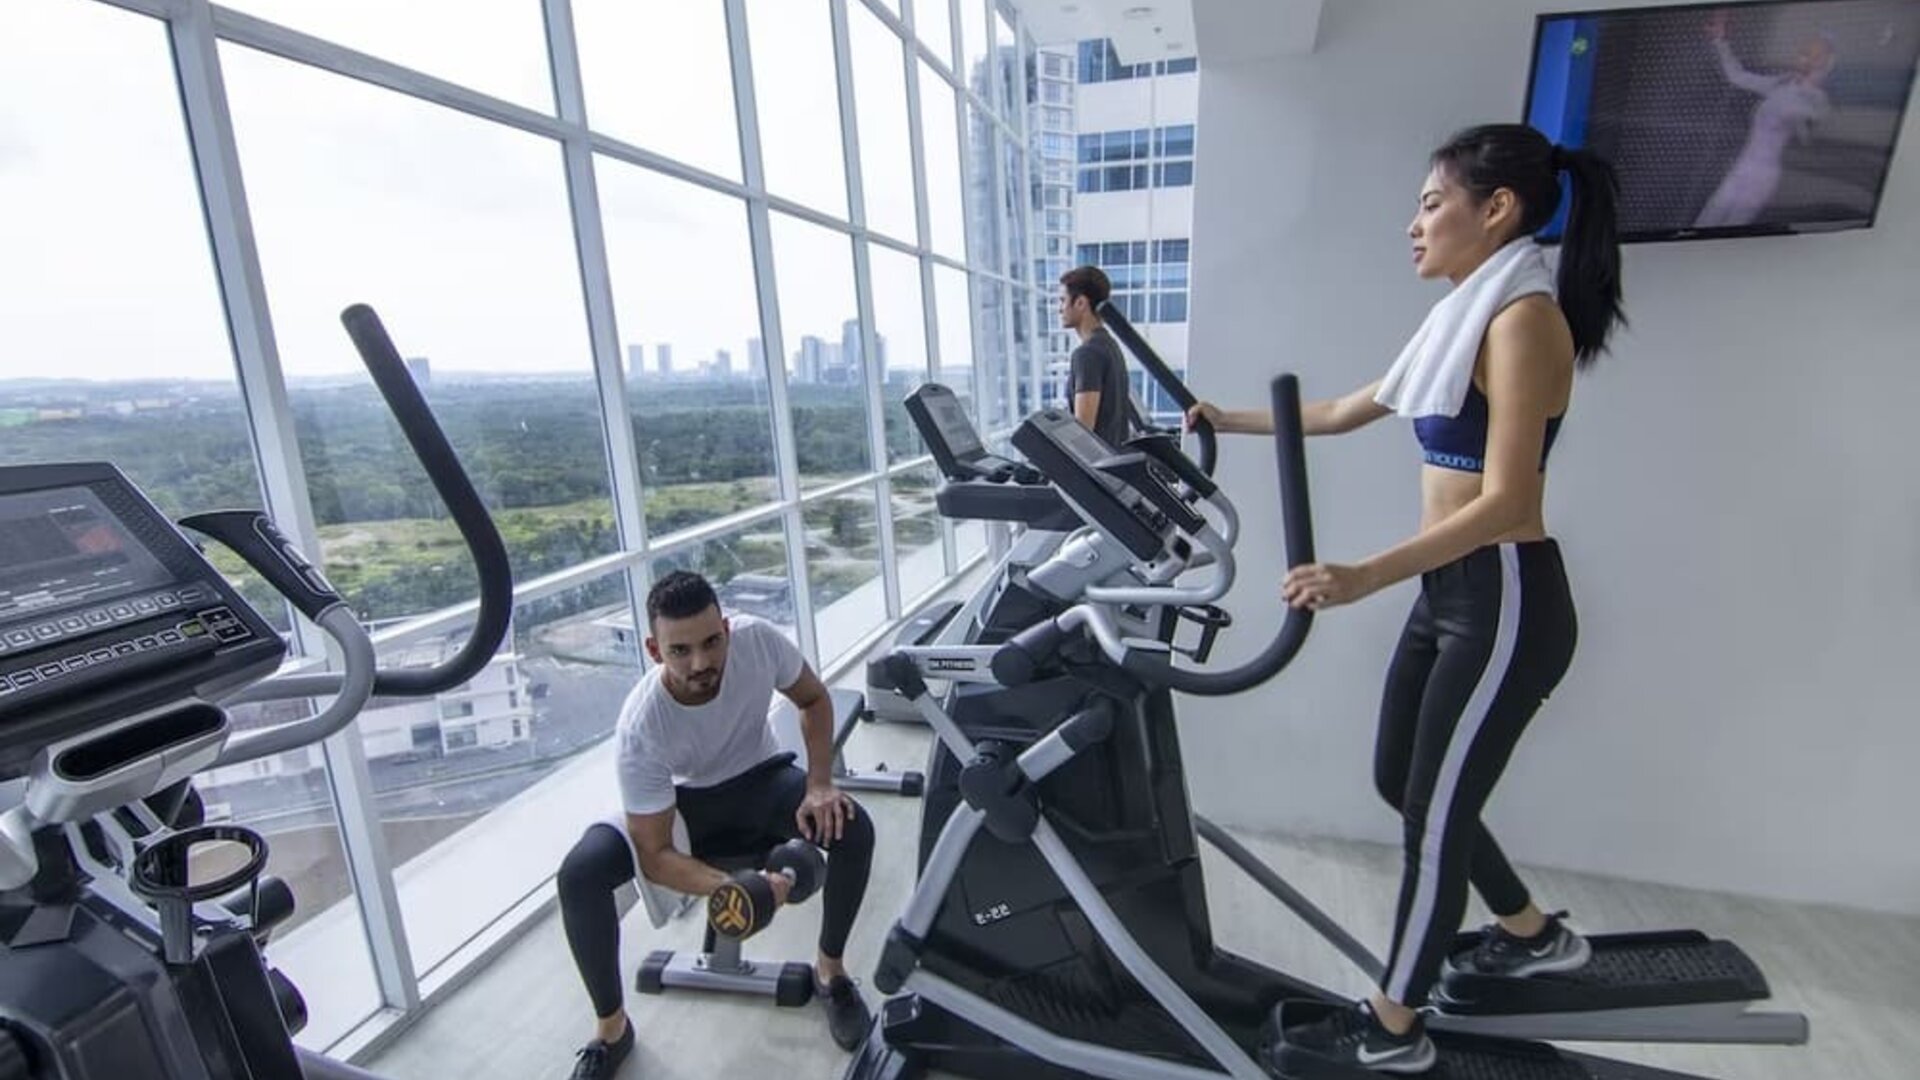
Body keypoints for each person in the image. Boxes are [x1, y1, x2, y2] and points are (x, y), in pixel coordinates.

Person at [1189, 123, 1625, 1074]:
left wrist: (1361, 575)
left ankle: (1393, 1030)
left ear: (1496, 208)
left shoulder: (1521, 322)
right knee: (1402, 779)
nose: (1413, 225)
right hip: (1455, 591)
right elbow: (1344, 411)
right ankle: (1531, 933)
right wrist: (1227, 417)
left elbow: (1510, 501)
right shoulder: (1463, 317)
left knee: (1433, 816)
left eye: (1431, 204)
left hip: (1506, 598)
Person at [556, 571, 877, 1079]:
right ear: (653, 649)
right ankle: (612, 1030)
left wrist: (819, 783)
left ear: (726, 628)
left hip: (761, 782)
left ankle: (830, 972)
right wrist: (737, 891)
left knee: (853, 826)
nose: (701, 662)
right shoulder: (641, 725)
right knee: (580, 872)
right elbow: (657, 852)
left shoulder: (756, 641)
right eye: (680, 650)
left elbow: (813, 698)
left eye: (711, 642)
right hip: (682, 811)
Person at [1693, 7, 1835, 229]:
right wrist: (1720, 42)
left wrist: (1809, 88)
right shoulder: (1780, 83)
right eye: (1804, 52)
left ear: (1825, 63)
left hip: (1763, 177)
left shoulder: (1816, 99)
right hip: (1741, 167)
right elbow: (1737, 76)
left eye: (1815, 55)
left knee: (1731, 232)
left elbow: (1811, 128)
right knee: (1704, 223)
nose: (1804, 57)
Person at [1058, 264, 1132, 447]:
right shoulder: (1110, 345)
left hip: (1097, 469)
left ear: (1081, 303)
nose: (1060, 309)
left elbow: (1083, 431)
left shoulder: (1087, 354)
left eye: (1062, 300)